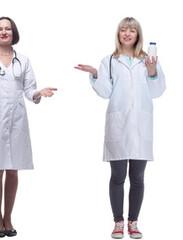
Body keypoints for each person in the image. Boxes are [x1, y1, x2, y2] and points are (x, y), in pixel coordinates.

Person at [74, 17, 165, 239]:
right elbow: (105, 91)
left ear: (138, 35)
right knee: (117, 176)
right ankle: (118, 223)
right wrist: (96, 73)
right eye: (123, 30)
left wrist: (152, 71)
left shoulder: (148, 59)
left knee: (138, 177)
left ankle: (133, 223)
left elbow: (157, 91)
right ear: (118, 34)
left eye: (131, 31)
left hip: (141, 125)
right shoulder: (110, 61)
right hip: (118, 124)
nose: (127, 34)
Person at [0, 16, 56, 238]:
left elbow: (29, 90)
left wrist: (39, 93)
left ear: (13, 32)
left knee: (13, 170)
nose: (3, 32)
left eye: (7, 28)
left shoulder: (23, 60)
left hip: (17, 120)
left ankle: (9, 218)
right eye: (0, 29)